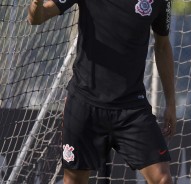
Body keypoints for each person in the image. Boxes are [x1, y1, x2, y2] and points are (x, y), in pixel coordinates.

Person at [28, 0, 176, 183]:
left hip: (132, 109)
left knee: (162, 179)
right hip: (84, 105)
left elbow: (162, 46)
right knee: (74, 181)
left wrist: (171, 102)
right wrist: (36, 3)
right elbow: (37, 17)